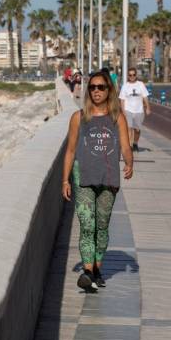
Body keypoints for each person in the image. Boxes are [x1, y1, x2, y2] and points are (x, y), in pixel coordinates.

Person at [62, 70, 134, 292]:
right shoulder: (78, 118)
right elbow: (71, 150)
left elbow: (124, 145)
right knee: (87, 225)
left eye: (101, 87)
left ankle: (96, 270)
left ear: (108, 91)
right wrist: (65, 180)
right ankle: (87, 272)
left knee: (101, 226)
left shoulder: (117, 118)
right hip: (83, 177)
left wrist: (130, 163)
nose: (96, 91)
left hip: (109, 178)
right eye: (92, 87)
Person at [119, 67, 151, 152]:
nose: (132, 76)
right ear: (128, 76)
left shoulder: (140, 84)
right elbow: (122, 100)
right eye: (130, 75)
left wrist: (148, 107)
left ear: (136, 75)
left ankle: (135, 143)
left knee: (137, 129)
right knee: (129, 128)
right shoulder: (125, 86)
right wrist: (123, 111)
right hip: (128, 110)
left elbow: (145, 97)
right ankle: (129, 146)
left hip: (139, 110)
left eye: (133, 75)